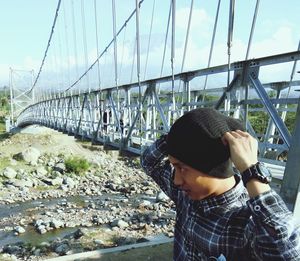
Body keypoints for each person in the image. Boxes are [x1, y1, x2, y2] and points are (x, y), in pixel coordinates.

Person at [140, 108, 300, 261]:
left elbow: (288, 252)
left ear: (213, 168)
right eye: (174, 167)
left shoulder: (246, 221)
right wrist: (176, 136)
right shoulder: (185, 195)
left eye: (182, 167)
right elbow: (149, 161)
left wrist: (252, 171)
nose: (176, 180)